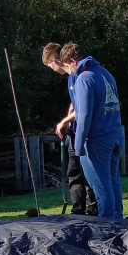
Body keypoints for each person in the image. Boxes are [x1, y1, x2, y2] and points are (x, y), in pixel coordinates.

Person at [60, 42, 124, 219]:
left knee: (100, 186)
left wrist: (78, 147)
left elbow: (84, 115)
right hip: (116, 135)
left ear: (73, 61)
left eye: (67, 66)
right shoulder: (105, 73)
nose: (69, 71)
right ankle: (119, 222)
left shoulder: (84, 79)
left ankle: (108, 227)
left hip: (97, 141)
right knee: (113, 181)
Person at [42, 43, 97, 216]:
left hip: (85, 133)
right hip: (73, 132)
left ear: (53, 60)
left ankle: (93, 209)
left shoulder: (77, 74)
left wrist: (63, 121)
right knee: (73, 172)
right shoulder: (70, 78)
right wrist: (67, 120)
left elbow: (83, 107)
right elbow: (74, 102)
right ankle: (77, 210)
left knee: (86, 172)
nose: (52, 70)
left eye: (50, 66)